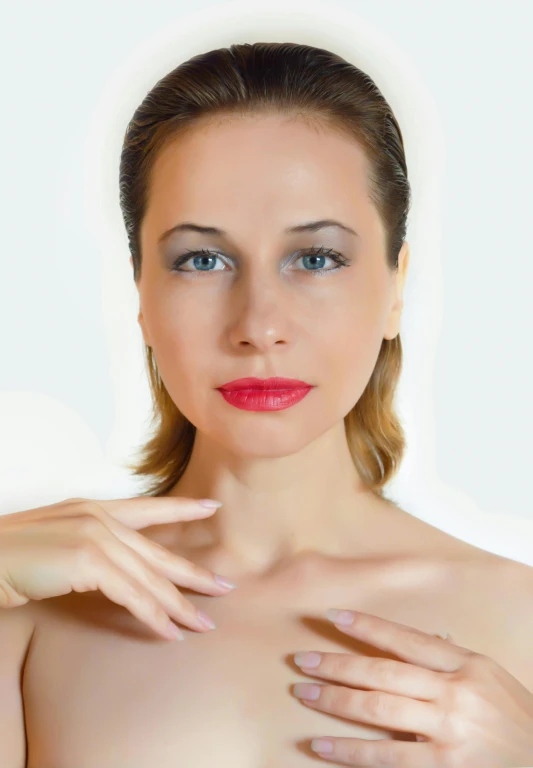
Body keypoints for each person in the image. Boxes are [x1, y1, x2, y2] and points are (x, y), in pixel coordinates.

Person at [1, 41, 532, 768]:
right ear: (141, 293)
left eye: (315, 258)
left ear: (395, 287)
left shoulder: (522, 620)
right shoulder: (30, 616)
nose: (258, 325)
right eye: (202, 259)